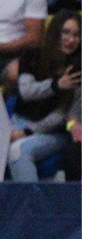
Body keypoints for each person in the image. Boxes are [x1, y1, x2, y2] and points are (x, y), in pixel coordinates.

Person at [9, 11, 80, 182]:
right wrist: (56, 85)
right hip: (20, 119)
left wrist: (28, 131)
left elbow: (62, 115)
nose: (71, 40)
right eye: (66, 32)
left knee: (18, 151)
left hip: (54, 131)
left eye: (76, 35)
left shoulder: (79, 67)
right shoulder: (33, 55)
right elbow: (26, 92)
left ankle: (32, 200)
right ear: (55, 32)